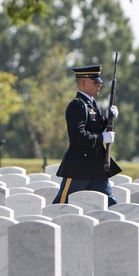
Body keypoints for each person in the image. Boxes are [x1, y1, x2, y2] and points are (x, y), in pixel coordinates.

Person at [54, 64, 121, 205]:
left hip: (96, 169)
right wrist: (102, 138)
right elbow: (78, 136)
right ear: (83, 83)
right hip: (79, 168)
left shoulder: (91, 105)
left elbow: (95, 128)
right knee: (61, 206)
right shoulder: (77, 105)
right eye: (95, 81)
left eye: (100, 81)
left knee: (112, 206)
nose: (100, 84)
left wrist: (108, 119)